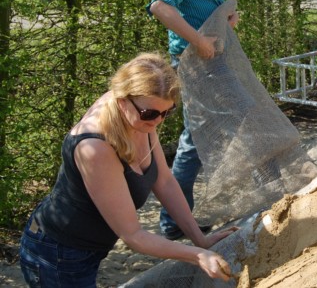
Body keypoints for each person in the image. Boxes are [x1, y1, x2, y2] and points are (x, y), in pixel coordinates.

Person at [19, 53, 237, 287]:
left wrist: (200, 240)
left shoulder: (142, 113)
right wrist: (197, 255)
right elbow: (133, 235)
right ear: (122, 100)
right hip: (58, 253)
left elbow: (164, 181)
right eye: (150, 114)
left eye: (167, 112)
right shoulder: (95, 146)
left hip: (90, 248)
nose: (157, 122)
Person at [147, 0, 239, 240]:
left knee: (195, 141)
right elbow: (160, 4)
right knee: (220, 129)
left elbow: (193, 7)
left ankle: (174, 221)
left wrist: (223, 19)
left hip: (208, 62)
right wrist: (199, 42)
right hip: (196, 64)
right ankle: (173, 222)